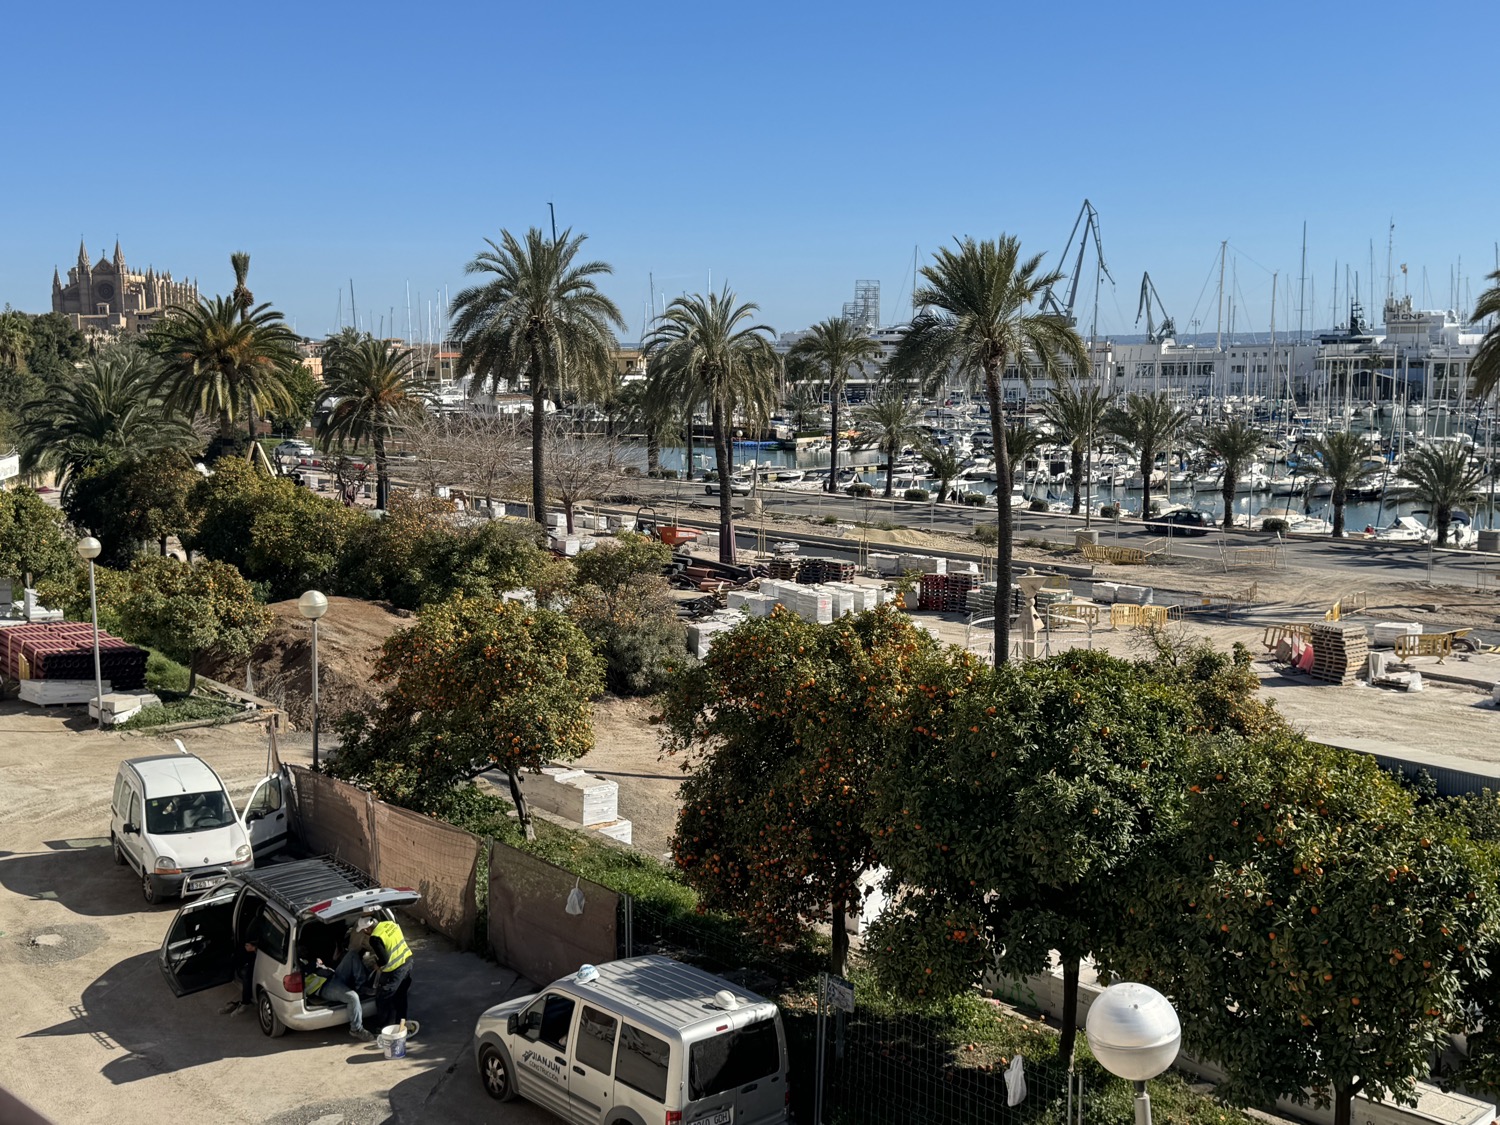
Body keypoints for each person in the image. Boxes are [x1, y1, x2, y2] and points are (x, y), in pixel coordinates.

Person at [361, 916, 419, 1038]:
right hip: (407, 961)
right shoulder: (390, 923)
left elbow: (384, 959)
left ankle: (382, 1027)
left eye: (363, 930)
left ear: (367, 929)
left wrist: (376, 965)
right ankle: (401, 1023)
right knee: (401, 995)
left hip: (396, 969)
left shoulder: (374, 938)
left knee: (383, 997)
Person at [312, 942, 375, 1042]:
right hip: (324, 986)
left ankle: (361, 986)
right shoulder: (297, 965)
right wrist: (312, 964)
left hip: (333, 975)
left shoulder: (311, 957)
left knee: (352, 954)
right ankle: (356, 1029)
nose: (303, 950)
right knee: (353, 997)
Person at [219, 940, 257, 1015]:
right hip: (244, 963)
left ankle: (244, 1003)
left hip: (255, 961)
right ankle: (238, 1004)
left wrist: (254, 949)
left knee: (246, 974)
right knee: (244, 974)